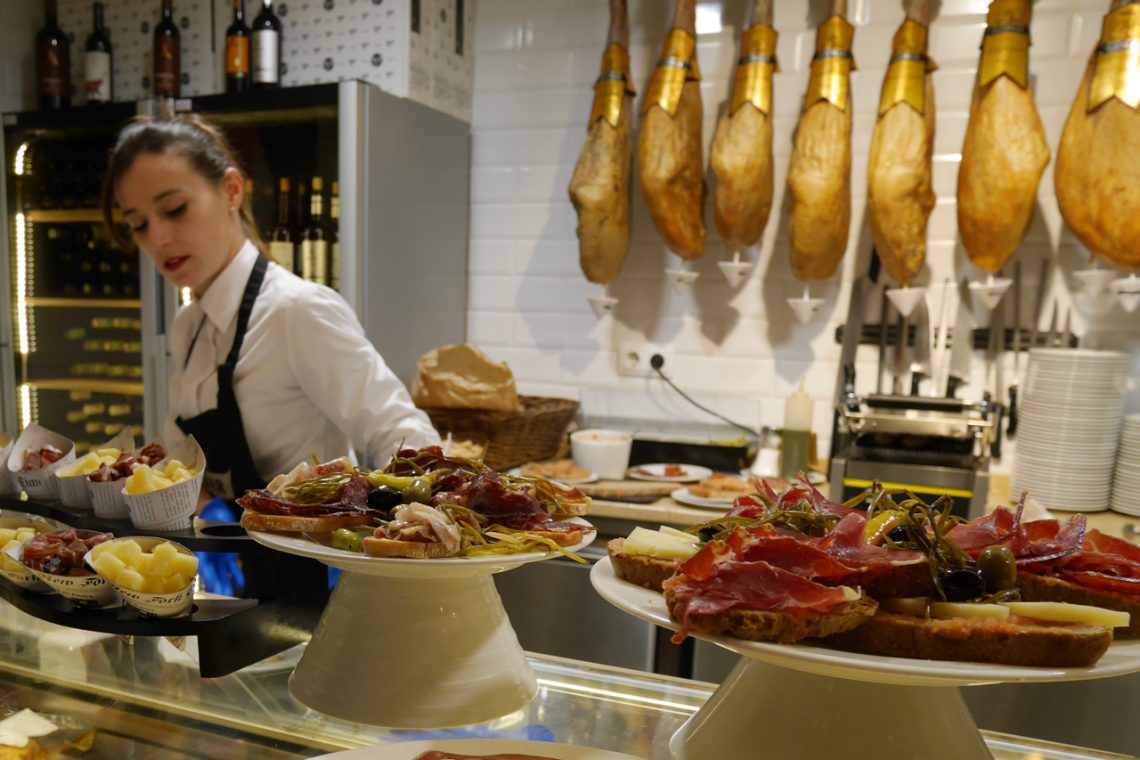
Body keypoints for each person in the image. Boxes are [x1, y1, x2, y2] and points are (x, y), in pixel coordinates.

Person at [100, 114, 439, 502]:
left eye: (175, 209)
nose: (158, 238)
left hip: (306, 559)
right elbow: (186, 473)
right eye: (138, 224)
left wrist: (419, 518)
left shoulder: (296, 310)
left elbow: (399, 430)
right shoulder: (188, 326)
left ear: (231, 190)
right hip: (229, 558)